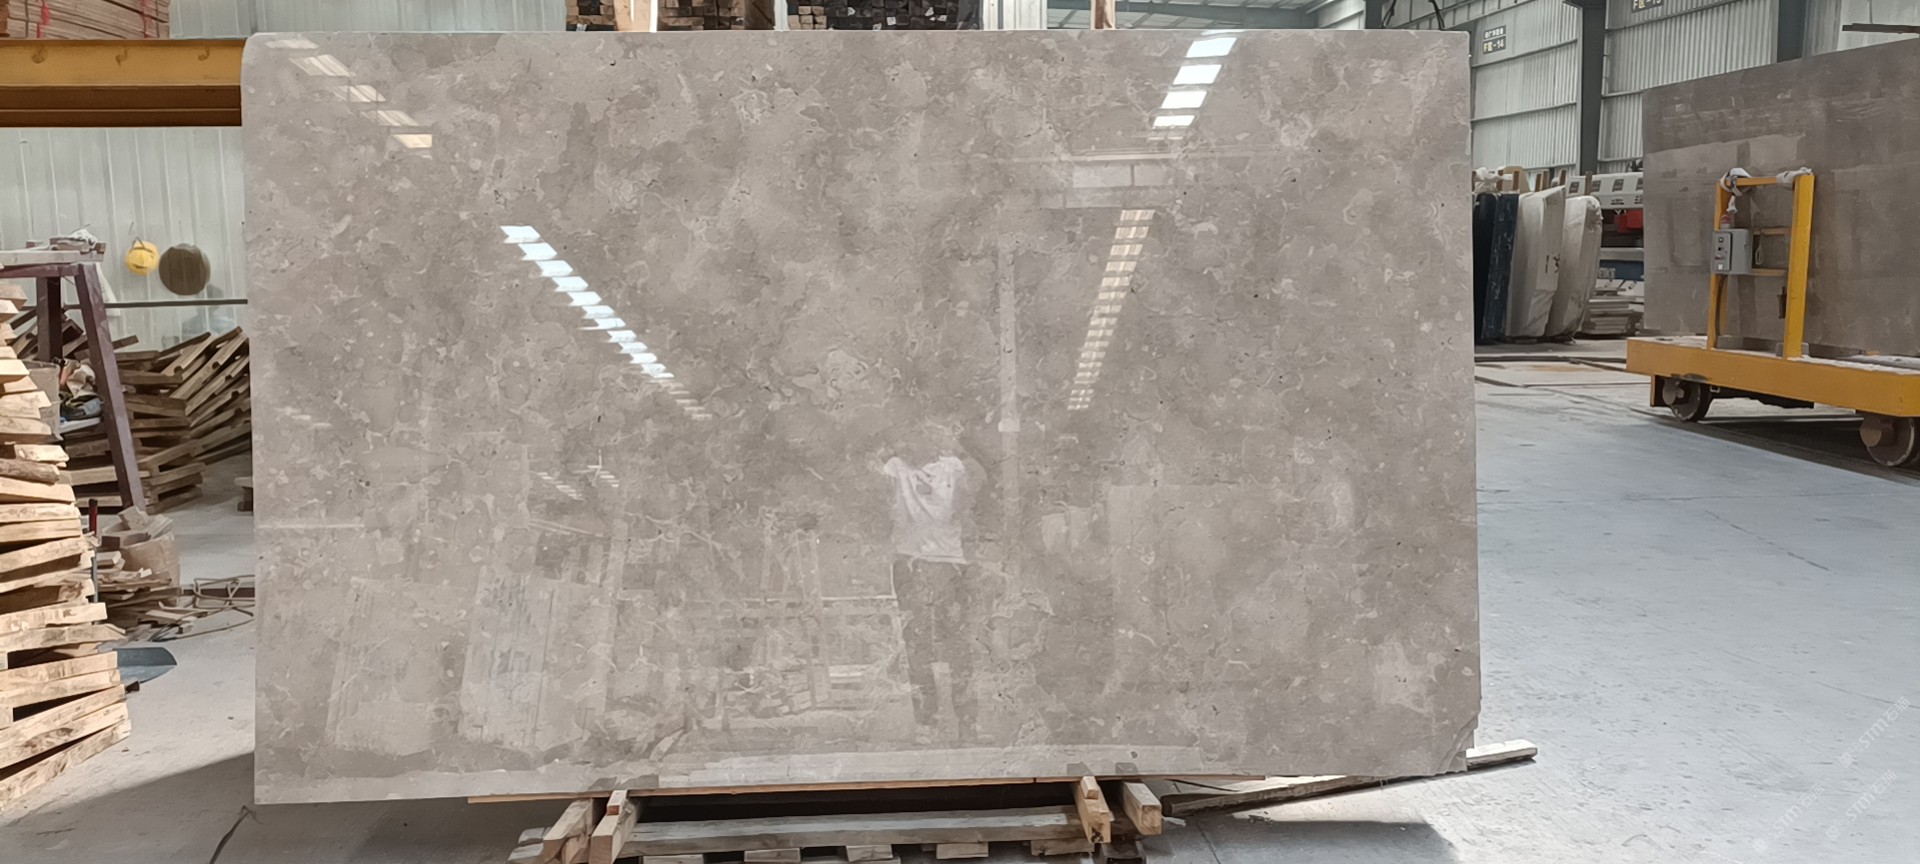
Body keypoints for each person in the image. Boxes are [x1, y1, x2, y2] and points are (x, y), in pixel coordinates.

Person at [880, 424, 981, 742]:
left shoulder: (953, 466)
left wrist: (958, 450)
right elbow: (881, 497)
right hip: (911, 562)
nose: (912, 442)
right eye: (909, 436)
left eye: (923, 435)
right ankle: (927, 722)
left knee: (958, 645)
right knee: (918, 644)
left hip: (949, 562)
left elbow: (970, 500)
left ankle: (968, 722)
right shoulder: (895, 467)